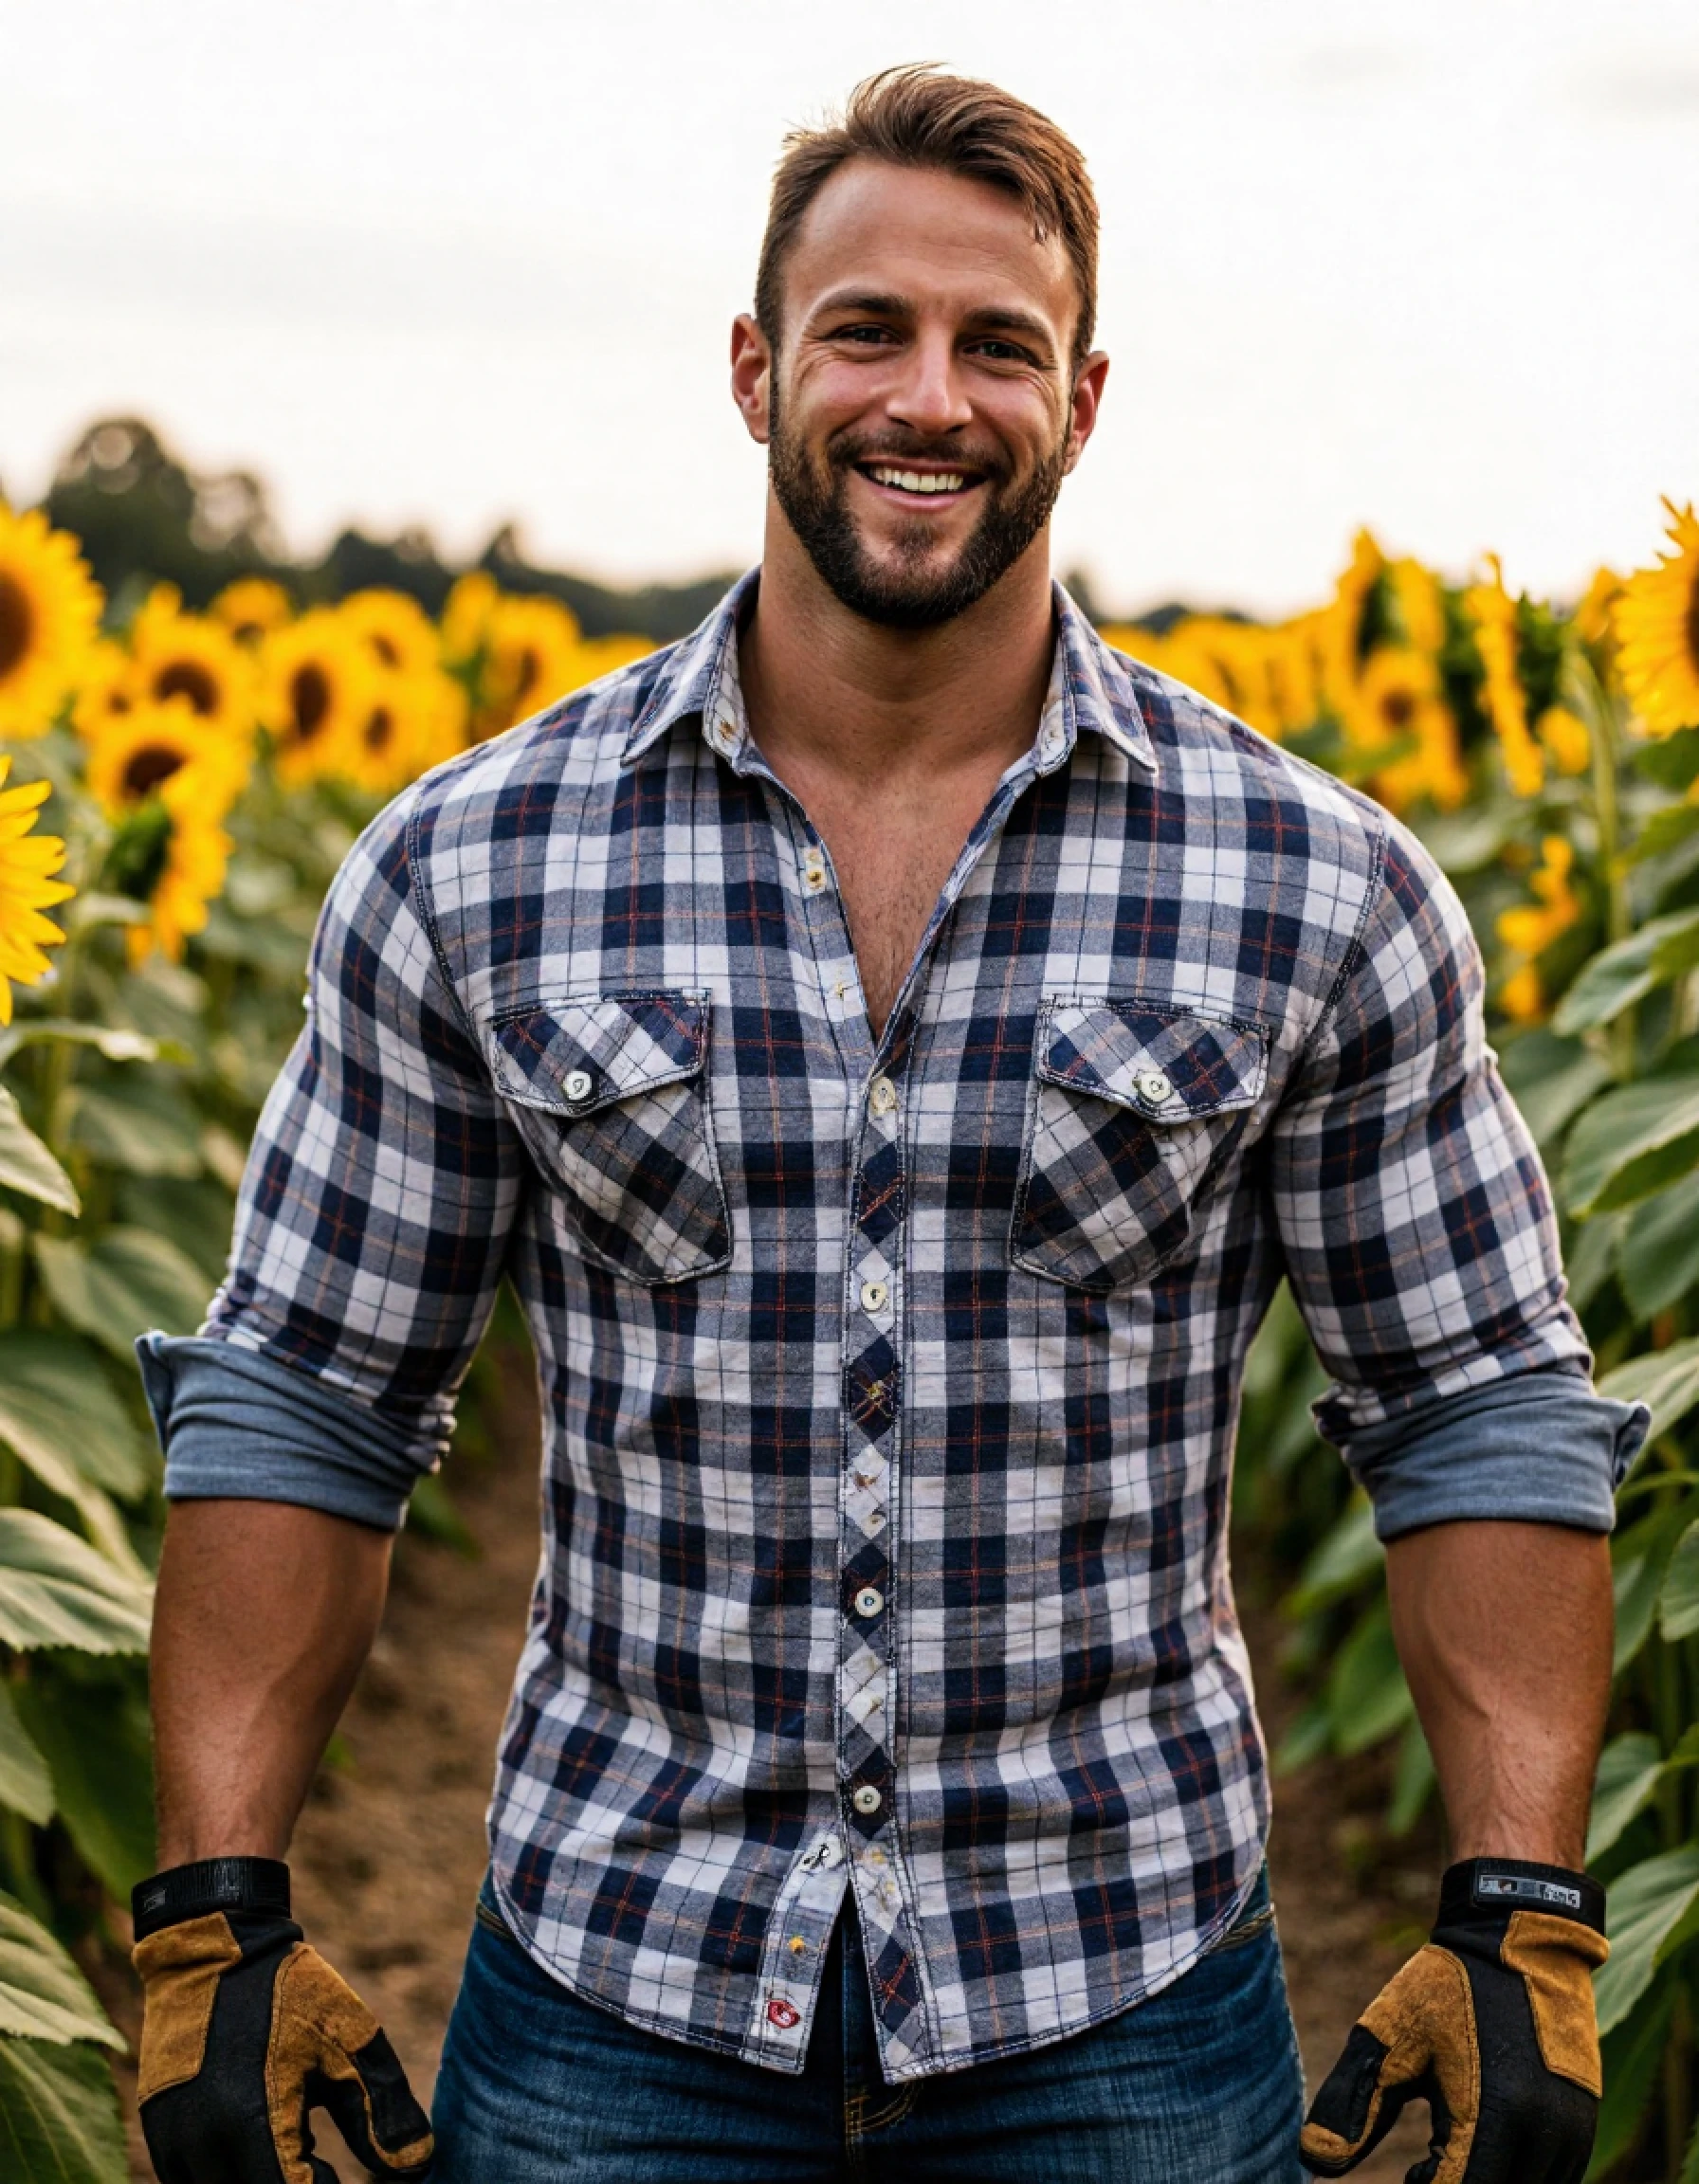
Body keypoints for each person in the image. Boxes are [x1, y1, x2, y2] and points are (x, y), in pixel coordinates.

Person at [128, 64, 1641, 2184]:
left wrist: (1516, 1914)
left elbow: (1470, 1398)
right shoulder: (471, 866)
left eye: (993, 345)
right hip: (614, 1986)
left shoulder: (1315, 885)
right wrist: (215, 1912)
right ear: (756, 367)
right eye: (865, 330)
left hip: (1112, 1988)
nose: (926, 396)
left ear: (1080, 397)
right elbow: (306, 1396)